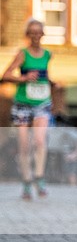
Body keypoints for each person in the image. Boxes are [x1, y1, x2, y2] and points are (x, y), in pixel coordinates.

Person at [2, 19, 54, 199]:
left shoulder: (48, 54)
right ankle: (26, 182)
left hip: (42, 102)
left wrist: (55, 83)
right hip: (23, 104)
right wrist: (23, 78)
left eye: (38, 32)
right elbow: (6, 75)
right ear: (28, 35)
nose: (36, 35)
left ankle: (39, 176)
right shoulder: (22, 54)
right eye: (32, 32)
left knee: (39, 141)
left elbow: (46, 76)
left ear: (42, 34)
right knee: (24, 145)